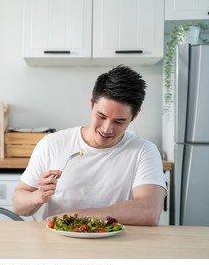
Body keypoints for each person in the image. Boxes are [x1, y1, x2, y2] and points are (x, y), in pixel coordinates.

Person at [12, 65, 166, 226]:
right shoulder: (52, 143)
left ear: (135, 115)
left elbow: (149, 212)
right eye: (101, 116)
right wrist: (38, 196)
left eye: (119, 121)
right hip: (57, 247)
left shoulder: (144, 151)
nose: (107, 129)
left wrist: (77, 216)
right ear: (92, 102)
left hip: (118, 247)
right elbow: (18, 205)